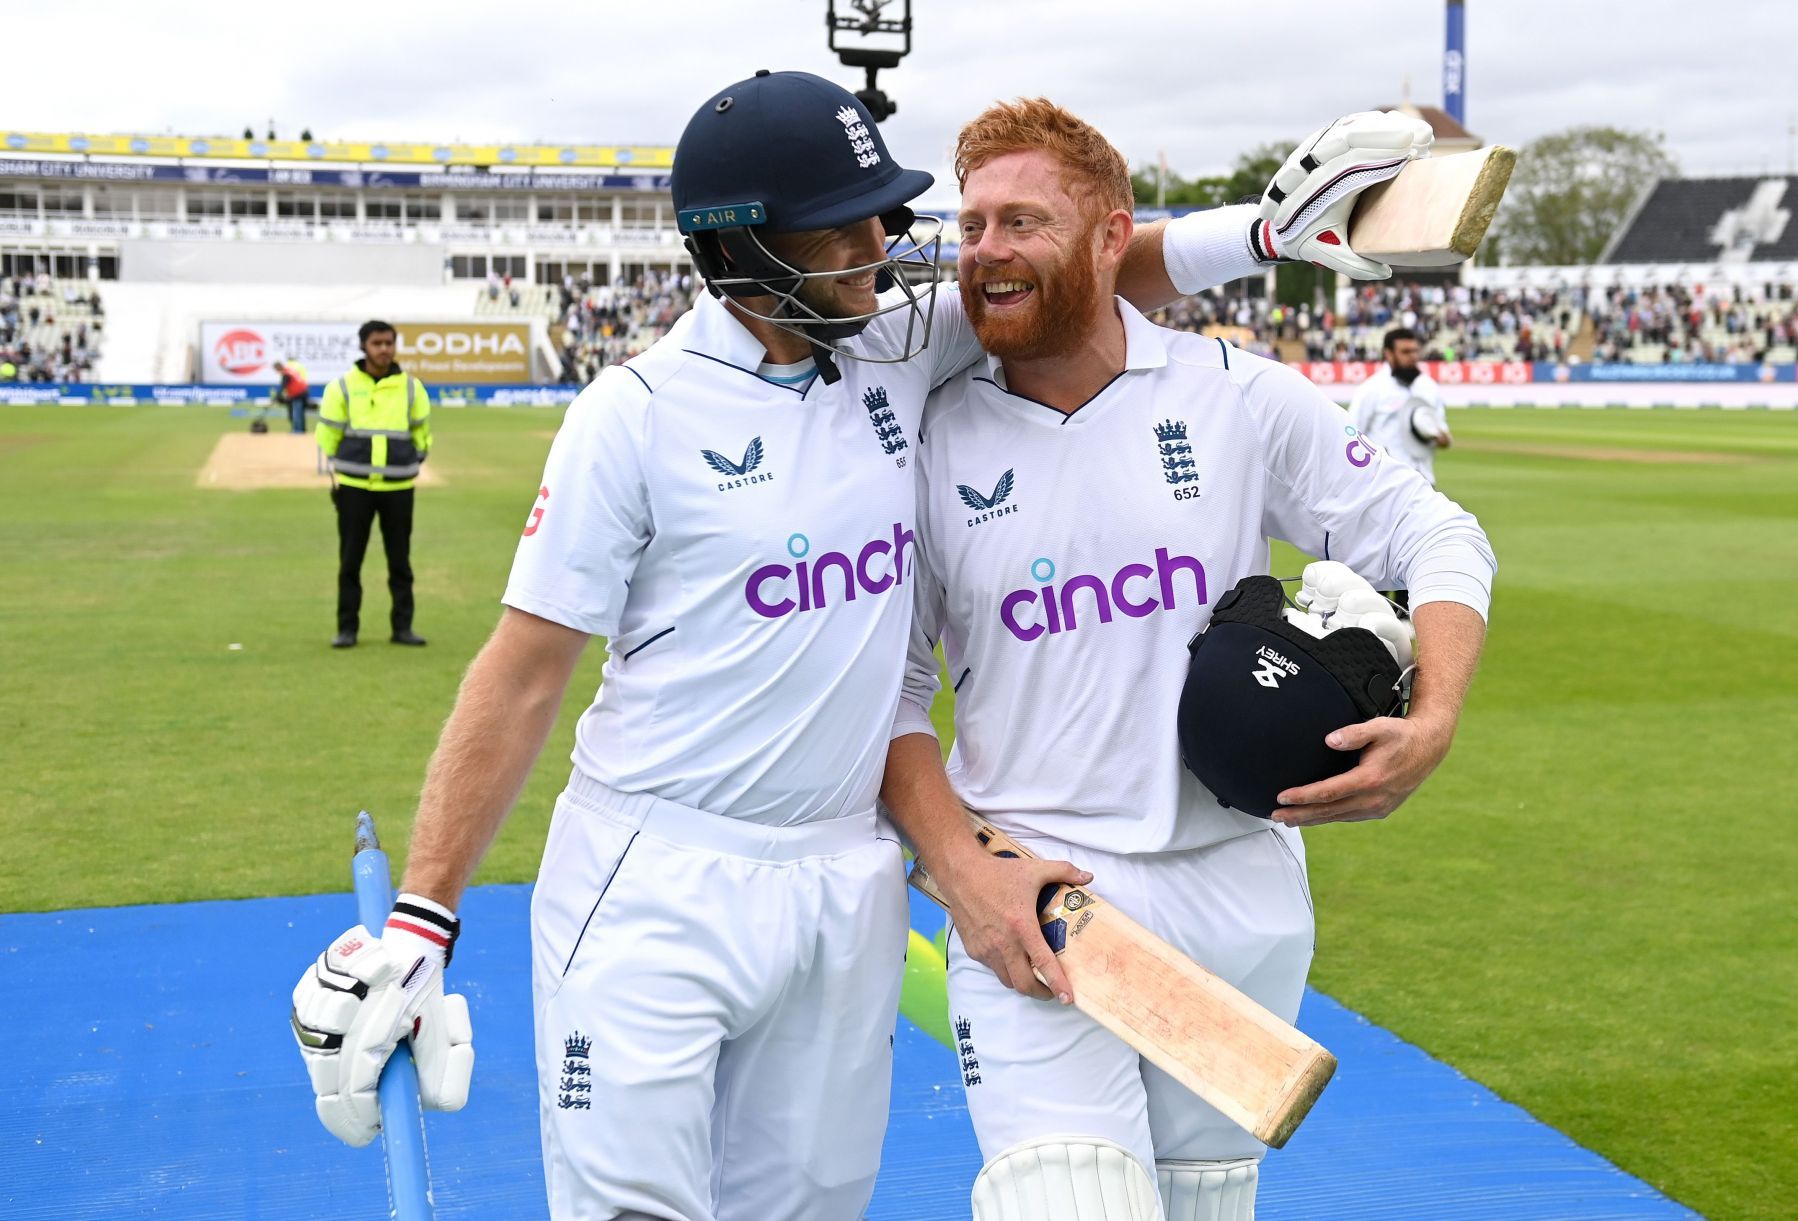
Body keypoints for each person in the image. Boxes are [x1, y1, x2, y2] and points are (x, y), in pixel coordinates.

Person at [288, 70, 1422, 1221]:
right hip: (658, 873)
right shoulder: (633, 418)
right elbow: (524, 677)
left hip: (845, 883)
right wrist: (424, 921)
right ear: (744, 247)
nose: (884, 249)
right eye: (847, 228)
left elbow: (1063, 264)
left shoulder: (889, 344)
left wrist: (1264, 235)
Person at [879, 100, 1493, 1221]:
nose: (985, 252)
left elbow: (1439, 535)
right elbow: (891, 696)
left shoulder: (1234, 394)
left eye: (1023, 221)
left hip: (1241, 896)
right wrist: (966, 872)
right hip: (1042, 893)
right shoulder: (923, 437)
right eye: (970, 227)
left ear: (1116, 236)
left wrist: (1436, 713)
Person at [315, 321, 431, 648]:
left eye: (389, 343)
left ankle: (403, 628)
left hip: (398, 489)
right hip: (354, 487)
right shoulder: (342, 386)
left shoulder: (411, 387)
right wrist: (343, 465)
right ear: (364, 346)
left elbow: (423, 433)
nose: (384, 349)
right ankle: (347, 629)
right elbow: (327, 434)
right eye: (377, 343)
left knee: (400, 562)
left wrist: (412, 460)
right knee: (350, 561)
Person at [1347, 326, 1451, 484]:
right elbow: (1352, 436)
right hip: (1386, 486)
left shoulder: (1428, 386)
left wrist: (1438, 435)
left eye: (1415, 351)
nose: (1413, 357)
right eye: (1405, 352)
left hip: (1424, 482)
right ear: (1388, 354)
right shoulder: (1371, 389)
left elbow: (1443, 433)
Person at [273, 357, 311, 434]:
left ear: (278, 368)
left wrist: (277, 396)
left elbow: (283, 386)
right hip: (303, 392)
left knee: (296, 413)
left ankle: (298, 430)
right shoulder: (289, 371)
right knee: (299, 413)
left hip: (298, 394)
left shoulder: (286, 374)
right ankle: (301, 429)